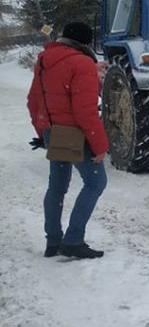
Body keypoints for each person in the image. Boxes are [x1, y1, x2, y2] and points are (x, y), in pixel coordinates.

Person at [27, 22, 109, 259]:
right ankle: (73, 240)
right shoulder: (82, 63)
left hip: (55, 131)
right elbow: (86, 112)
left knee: (57, 187)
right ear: (85, 42)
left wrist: (43, 132)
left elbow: (33, 101)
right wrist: (100, 146)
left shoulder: (44, 60)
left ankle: (53, 241)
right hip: (76, 134)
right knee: (96, 183)